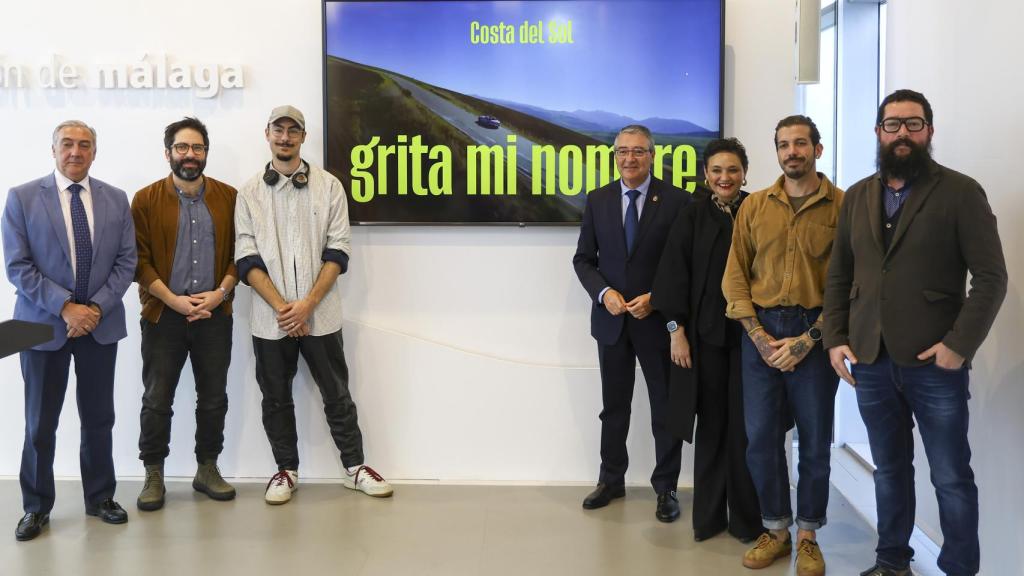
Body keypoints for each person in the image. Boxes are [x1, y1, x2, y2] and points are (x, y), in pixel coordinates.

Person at [823, 89, 1007, 576]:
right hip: (871, 358)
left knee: (949, 477)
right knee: (889, 471)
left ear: (929, 130)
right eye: (893, 124)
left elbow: (991, 278)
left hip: (935, 365)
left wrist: (958, 345)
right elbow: (841, 273)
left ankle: (960, 568)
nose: (902, 132)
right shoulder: (859, 194)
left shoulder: (961, 192)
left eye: (914, 123)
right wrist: (835, 337)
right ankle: (891, 562)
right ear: (878, 131)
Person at [234, 105, 392, 504]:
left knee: (337, 393)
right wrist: (284, 309)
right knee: (275, 397)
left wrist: (306, 306)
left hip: (321, 316)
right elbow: (246, 258)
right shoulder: (249, 192)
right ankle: (285, 470)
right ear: (266, 133)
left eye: (293, 131)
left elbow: (338, 251)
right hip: (270, 322)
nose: (285, 138)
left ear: (303, 137)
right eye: (278, 130)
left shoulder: (329, 187)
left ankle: (355, 468)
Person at [2, 120, 137, 540]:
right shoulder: (22, 197)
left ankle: (100, 498)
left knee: (99, 418)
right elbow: (17, 266)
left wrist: (93, 308)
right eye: (67, 144)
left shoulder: (115, 199)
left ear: (95, 152)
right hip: (38, 325)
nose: (75, 152)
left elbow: (126, 262)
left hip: (100, 324)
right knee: (39, 422)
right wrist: (65, 307)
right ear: (53, 149)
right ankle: (36, 507)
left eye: (84, 145)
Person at [721, 115, 842, 576]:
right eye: (784, 145)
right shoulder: (754, 207)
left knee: (813, 442)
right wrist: (758, 335)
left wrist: (809, 339)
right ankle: (776, 528)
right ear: (776, 152)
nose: (792, 151)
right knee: (761, 441)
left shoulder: (842, 207)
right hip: (760, 333)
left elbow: (849, 285)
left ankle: (808, 535)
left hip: (814, 333)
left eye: (800, 143)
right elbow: (735, 276)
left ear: (817, 148)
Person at [572, 124, 689, 522]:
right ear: (615, 156)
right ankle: (611, 480)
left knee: (664, 411)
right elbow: (583, 260)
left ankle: (667, 489)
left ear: (652, 155)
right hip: (612, 323)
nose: (630, 159)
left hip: (658, 325)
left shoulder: (676, 201)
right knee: (613, 407)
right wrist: (604, 294)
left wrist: (657, 298)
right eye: (623, 151)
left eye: (638, 151)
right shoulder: (599, 200)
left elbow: (684, 265)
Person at [651, 137, 762, 542]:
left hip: (754, 340)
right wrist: (675, 332)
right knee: (714, 427)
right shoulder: (691, 215)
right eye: (716, 170)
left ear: (744, 172)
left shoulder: (758, 210)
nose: (724, 177)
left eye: (732, 169)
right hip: (707, 340)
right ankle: (710, 518)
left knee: (748, 431)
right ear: (706, 175)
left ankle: (748, 521)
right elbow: (671, 278)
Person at [131, 117, 239, 511]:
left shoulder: (229, 197)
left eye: (197, 148)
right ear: (168, 153)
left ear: (206, 153)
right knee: (157, 398)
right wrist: (173, 300)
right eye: (182, 148)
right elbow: (137, 261)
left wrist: (219, 294)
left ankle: (207, 468)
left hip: (215, 313)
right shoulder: (144, 199)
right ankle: (153, 474)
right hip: (164, 315)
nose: (189, 155)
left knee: (213, 398)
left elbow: (239, 255)